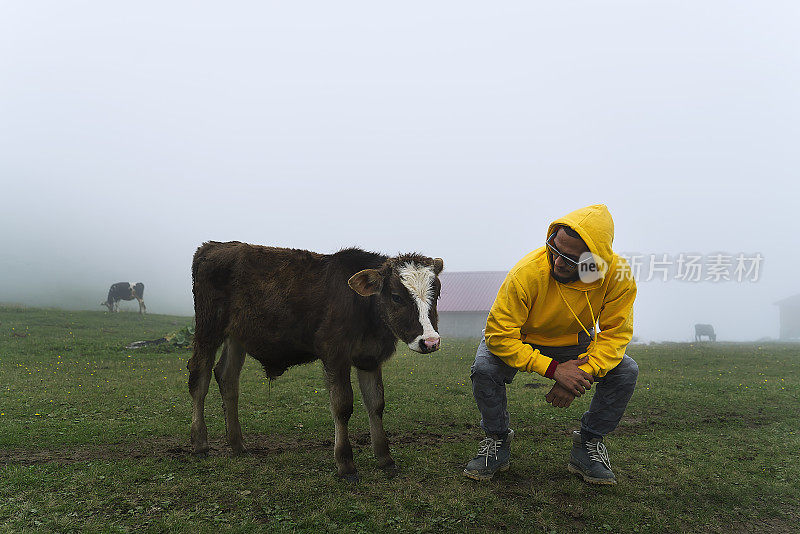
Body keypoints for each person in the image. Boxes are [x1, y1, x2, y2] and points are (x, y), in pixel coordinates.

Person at [463, 204, 638, 485]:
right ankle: (497, 440)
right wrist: (555, 370)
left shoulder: (616, 276)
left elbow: (615, 335)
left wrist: (583, 372)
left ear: (594, 261)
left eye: (570, 259)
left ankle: (589, 445)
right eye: (554, 250)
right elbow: (499, 335)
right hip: (523, 339)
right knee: (484, 368)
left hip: (575, 343)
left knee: (626, 370)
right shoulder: (527, 273)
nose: (557, 262)